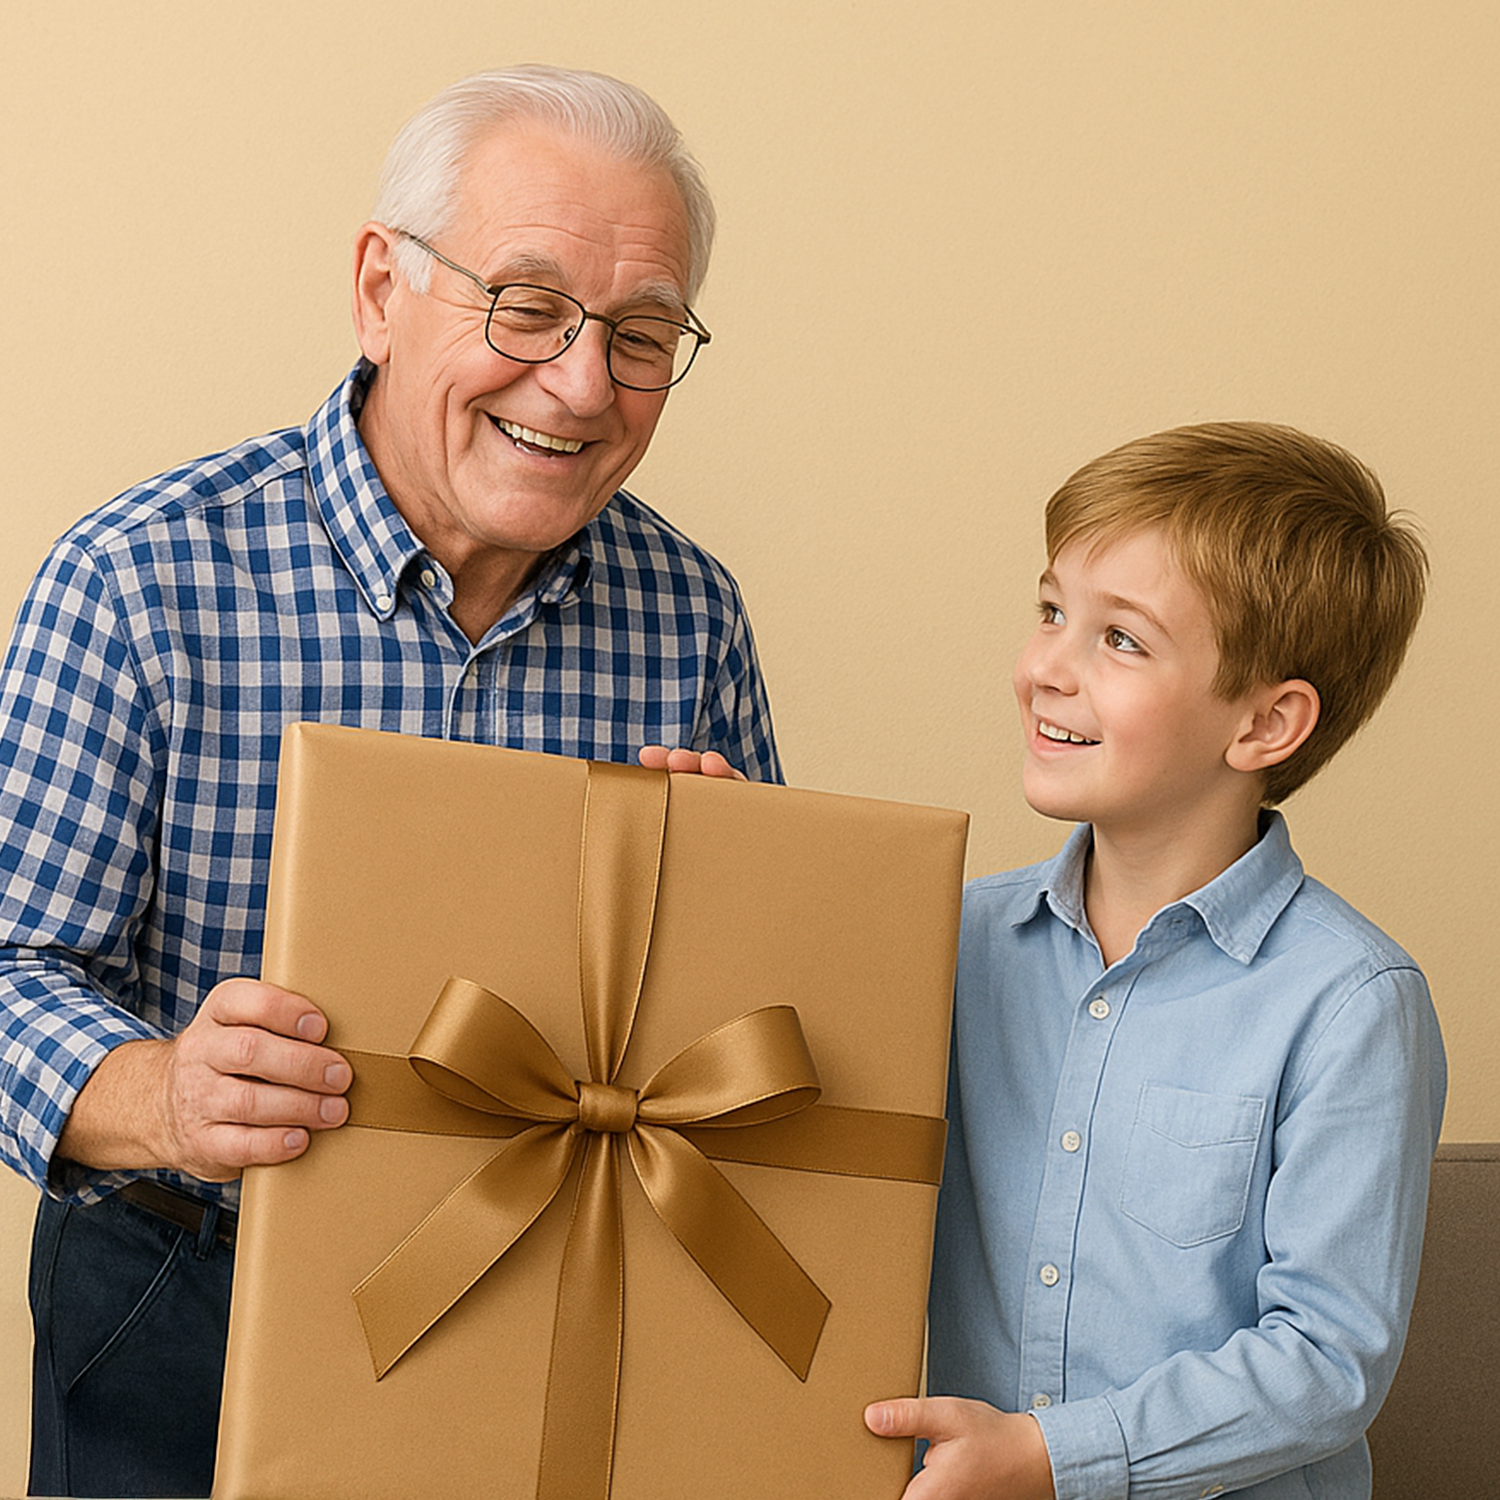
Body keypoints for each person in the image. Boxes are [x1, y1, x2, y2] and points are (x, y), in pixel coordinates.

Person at [0, 65, 779, 1498]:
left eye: (642, 335)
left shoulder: (693, 617)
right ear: (380, 290)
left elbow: (752, 1073)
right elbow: (6, 968)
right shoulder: (136, 580)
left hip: (563, 1290)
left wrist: (738, 920)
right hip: (186, 1291)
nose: (583, 385)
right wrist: (163, 1094)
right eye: (527, 307)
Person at [861, 423, 1446, 1498]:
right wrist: (726, 862)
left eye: (1120, 640)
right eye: (1051, 611)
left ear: (1266, 723)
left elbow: (1326, 1362)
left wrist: (1051, 1459)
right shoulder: (947, 940)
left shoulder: (1353, 1002)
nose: (1045, 669)